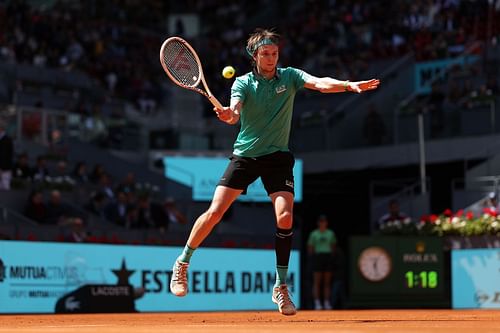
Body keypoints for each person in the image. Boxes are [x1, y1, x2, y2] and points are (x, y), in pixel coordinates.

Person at [169, 28, 379, 316]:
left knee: (285, 216)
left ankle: (280, 286)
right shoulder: (242, 83)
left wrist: (347, 85)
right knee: (215, 212)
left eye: (274, 53)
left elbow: (318, 83)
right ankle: (182, 263)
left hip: (277, 157)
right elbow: (234, 112)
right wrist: (229, 115)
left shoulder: (290, 76)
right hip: (245, 156)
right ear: (254, 56)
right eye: (265, 54)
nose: (271, 58)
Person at [307, 214, 337, 310]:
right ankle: (317, 303)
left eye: (324, 221)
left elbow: (333, 246)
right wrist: (313, 258)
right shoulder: (314, 234)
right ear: (318, 223)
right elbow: (310, 247)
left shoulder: (330, 233)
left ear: (326, 223)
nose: (322, 223)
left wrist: (332, 257)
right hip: (318, 257)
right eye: (321, 221)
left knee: (327, 282)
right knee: (317, 282)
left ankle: (326, 302)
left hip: (327, 257)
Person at [0, 119, 14, 190]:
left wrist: (2, 168)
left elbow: (5, 155)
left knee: (5, 187)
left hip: (5, 169)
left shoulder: (7, 140)